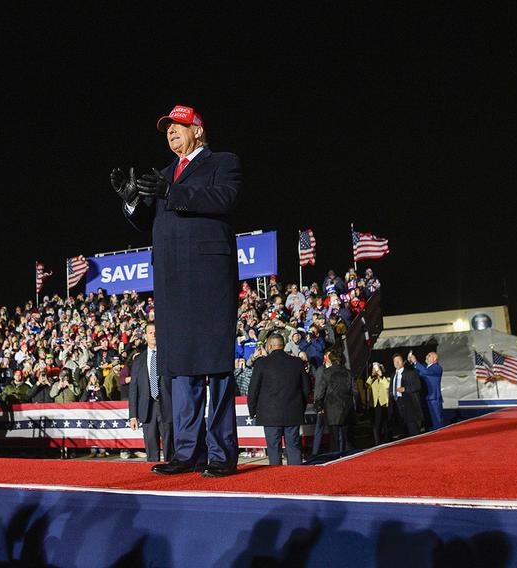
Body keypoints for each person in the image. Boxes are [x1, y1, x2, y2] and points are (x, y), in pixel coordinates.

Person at [113, 104, 241, 478]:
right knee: (180, 369)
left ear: (197, 130)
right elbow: (143, 221)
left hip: (209, 279)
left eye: (178, 125)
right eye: (167, 128)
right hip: (170, 283)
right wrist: (131, 198)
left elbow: (225, 200)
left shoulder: (223, 162)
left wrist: (174, 189)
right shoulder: (164, 174)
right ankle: (186, 452)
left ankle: (220, 454)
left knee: (214, 368)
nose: (171, 132)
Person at [247, 334, 310, 465]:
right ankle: (297, 478)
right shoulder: (296, 362)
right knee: (293, 447)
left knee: (273, 450)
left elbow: (253, 390)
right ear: (283, 345)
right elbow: (306, 388)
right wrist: (301, 408)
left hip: (269, 414)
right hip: (292, 411)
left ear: (269, 346)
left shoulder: (261, 363)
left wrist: (252, 411)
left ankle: (275, 481)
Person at [128, 322, 174, 463]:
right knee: (151, 449)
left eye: (156, 332)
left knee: (170, 447)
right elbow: (134, 389)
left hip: (167, 405)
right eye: (150, 332)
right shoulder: (138, 361)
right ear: (145, 337)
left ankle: (171, 472)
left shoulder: (169, 357)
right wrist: (133, 416)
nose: (154, 335)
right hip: (147, 409)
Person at [314, 350, 355, 453]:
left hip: (331, 409)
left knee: (334, 440)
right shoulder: (348, 373)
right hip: (347, 408)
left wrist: (319, 406)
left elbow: (320, 392)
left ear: (330, 359)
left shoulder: (326, 373)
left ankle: (336, 461)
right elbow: (355, 392)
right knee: (347, 440)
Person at [391, 353, 422, 437]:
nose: (397, 363)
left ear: (403, 362)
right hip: (397, 403)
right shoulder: (393, 374)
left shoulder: (410, 373)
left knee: (412, 428)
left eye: (399, 361)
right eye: (395, 361)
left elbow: (417, 386)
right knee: (403, 430)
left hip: (408, 402)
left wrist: (405, 389)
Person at [410, 350, 444, 430]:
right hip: (427, 397)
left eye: (428, 356)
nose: (426, 357)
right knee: (431, 422)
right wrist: (412, 363)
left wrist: (415, 362)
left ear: (435, 358)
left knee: (438, 421)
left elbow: (426, 372)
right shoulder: (426, 368)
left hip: (434, 398)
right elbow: (418, 373)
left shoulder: (437, 368)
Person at [365, 362, 392, 445]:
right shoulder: (371, 379)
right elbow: (366, 385)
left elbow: (387, 385)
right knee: (376, 424)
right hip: (374, 404)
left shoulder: (386, 378)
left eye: (377, 369)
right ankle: (377, 442)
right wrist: (372, 375)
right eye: (374, 369)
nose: (375, 370)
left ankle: (387, 440)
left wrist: (381, 375)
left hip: (384, 404)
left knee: (385, 423)